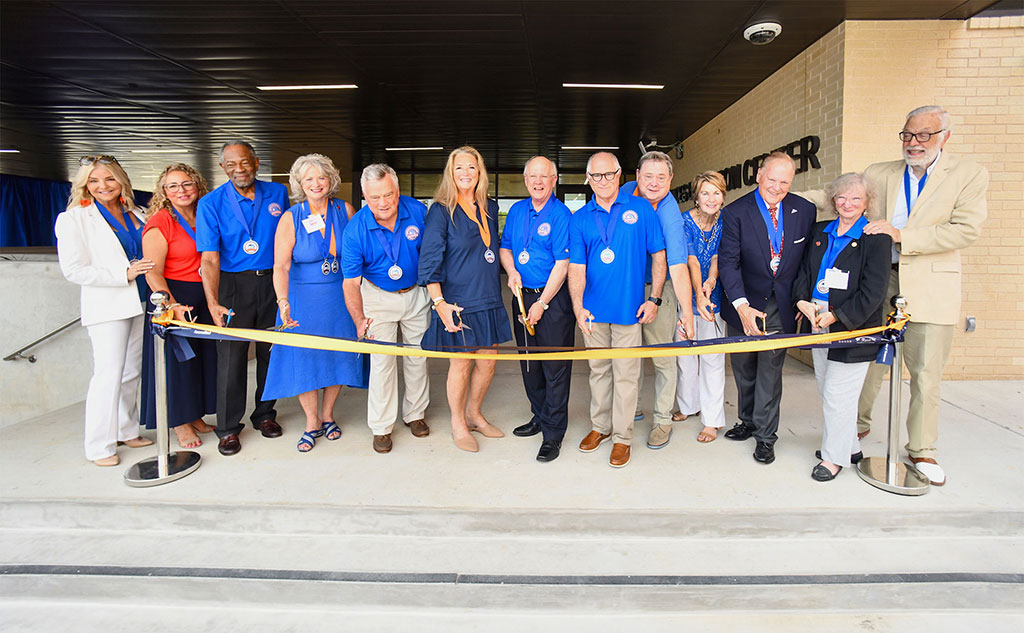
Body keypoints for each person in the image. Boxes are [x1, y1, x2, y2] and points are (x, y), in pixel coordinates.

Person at [804, 106, 988, 486]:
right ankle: (852, 430)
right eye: (907, 135)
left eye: (924, 135)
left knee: (924, 371)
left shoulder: (968, 174)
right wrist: (779, 195)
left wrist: (903, 236)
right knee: (866, 364)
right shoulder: (880, 172)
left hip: (930, 283)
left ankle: (922, 448)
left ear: (944, 137)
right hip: (879, 281)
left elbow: (965, 231)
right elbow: (836, 196)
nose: (914, 143)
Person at [54, 155, 154, 467]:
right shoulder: (73, 219)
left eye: (109, 179)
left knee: (131, 372)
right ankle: (98, 445)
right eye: (94, 181)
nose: (102, 186)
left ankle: (126, 429)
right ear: (84, 185)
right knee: (108, 374)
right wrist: (122, 274)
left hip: (141, 300)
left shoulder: (136, 212)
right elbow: (73, 270)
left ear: (121, 180)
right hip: (108, 304)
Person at [569, 152, 667, 468]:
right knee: (598, 371)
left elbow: (659, 256)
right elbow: (576, 267)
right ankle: (600, 427)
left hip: (629, 310)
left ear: (620, 173)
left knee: (626, 374)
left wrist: (654, 299)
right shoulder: (581, 217)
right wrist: (578, 307)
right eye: (595, 176)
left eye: (608, 175)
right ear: (588, 179)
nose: (602, 181)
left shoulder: (641, 209)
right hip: (594, 313)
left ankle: (622, 437)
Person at [718, 151, 815, 465]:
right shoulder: (735, 212)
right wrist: (742, 306)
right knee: (744, 368)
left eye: (784, 181)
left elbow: (807, 263)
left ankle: (765, 437)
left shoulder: (805, 210)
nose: (777, 187)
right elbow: (729, 264)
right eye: (772, 179)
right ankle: (747, 420)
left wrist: (802, 297)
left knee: (770, 373)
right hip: (744, 302)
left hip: (781, 305)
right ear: (759, 175)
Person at [263, 154, 364, 452]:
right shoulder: (290, 217)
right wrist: (283, 302)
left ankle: (328, 414)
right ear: (299, 184)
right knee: (305, 358)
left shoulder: (345, 210)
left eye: (321, 177)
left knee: (338, 354)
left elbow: (358, 252)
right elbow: (280, 267)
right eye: (308, 179)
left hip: (340, 294)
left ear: (331, 179)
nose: (315, 184)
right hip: (302, 297)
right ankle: (311, 422)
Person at [793, 173, 891, 481]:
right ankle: (849, 446)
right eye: (842, 198)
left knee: (837, 393)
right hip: (817, 318)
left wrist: (838, 317)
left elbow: (874, 293)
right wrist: (802, 301)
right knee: (827, 389)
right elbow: (805, 272)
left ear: (867, 203)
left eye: (855, 199)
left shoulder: (875, 238)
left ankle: (834, 459)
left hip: (852, 326)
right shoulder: (821, 231)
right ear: (833, 200)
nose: (847, 204)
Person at [196, 141, 289, 456]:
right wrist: (212, 301)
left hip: (273, 283)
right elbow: (208, 260)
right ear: (223, 167)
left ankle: (264, 414)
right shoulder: (210, 203)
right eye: (232, 164)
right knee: (232, 359)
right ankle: (227, 428)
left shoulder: (277, 193)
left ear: (256, 162)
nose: (239, 169)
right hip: (233, 286)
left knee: (270, 354)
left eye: (245, 162)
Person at [418, 146, 511, 453]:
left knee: (488, 362)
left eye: (472, 167)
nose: (466, 173)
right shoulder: (441, 210)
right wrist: (439, 303)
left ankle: (474, 413)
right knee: (461, 364)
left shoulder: (489, 205)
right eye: (459, 168)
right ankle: (458, 423)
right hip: (457, 300)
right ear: (451, 172)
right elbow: (430, 260)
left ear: (480, 172)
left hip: (488, 295)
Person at [342, 164, 431, 454]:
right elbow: (351, 283)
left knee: (417, 357)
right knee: (383, 363)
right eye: (374, 197)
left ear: (398, 191)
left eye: (388, 195)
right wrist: (359, 318)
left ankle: (415, 414)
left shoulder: (417, 211)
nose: (383, 203)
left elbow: (431, 256)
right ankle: (381, 428)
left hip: (416, 293)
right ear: (364, 196)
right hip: (378, 298)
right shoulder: (355, 229)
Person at [499, 156, 574, 462]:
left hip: (552, 301)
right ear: (525, 179)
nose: (538, 182)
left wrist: (542, 303)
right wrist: (511, 270)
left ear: (554, 180)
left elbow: (563, 263)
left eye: (545, 177)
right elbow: (505, 248)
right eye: (533, 176)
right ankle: (540, 416)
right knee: (530, 362)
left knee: (554, 367)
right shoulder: (517, 211)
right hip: (522, 296)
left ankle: (553, 434)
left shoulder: (561, 214)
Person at [619, 151, 695, 449]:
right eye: (648, 176)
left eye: (661, 177)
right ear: (636, 176)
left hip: (659, 287)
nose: (654, 183)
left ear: (670, 180)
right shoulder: (625, 192)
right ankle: (633, 406)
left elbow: (677, 266)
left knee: (663, 357)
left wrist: (685, 313)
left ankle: (662, 419)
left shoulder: (669, 212)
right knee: (628, 352)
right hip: (627, 286)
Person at [140, 163, 217, 449]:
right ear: (164, 192)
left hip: (203, 294)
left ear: (197, 186)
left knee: (199, 360)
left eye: (186, 184)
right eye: (173, 186)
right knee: (177, 364)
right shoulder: (161, 221)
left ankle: (195, 415)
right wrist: (172, 304)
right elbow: (152, 271)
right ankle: (180, 424)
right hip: (174, 295)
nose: (181, 190)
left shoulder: (203, 215)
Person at [675, 171, 728, 443]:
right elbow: (692, 259)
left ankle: (712, 420)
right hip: (687, 294)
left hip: (714, 295)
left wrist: (711, 280)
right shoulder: (684, 221)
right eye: (705, 193)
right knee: (685, 355)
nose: (711, 198)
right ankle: (688, 406)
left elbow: (718, 254)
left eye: (716, 193)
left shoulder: (725, 220)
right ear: (696, 197)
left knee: (712, 359)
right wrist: (698, 293)